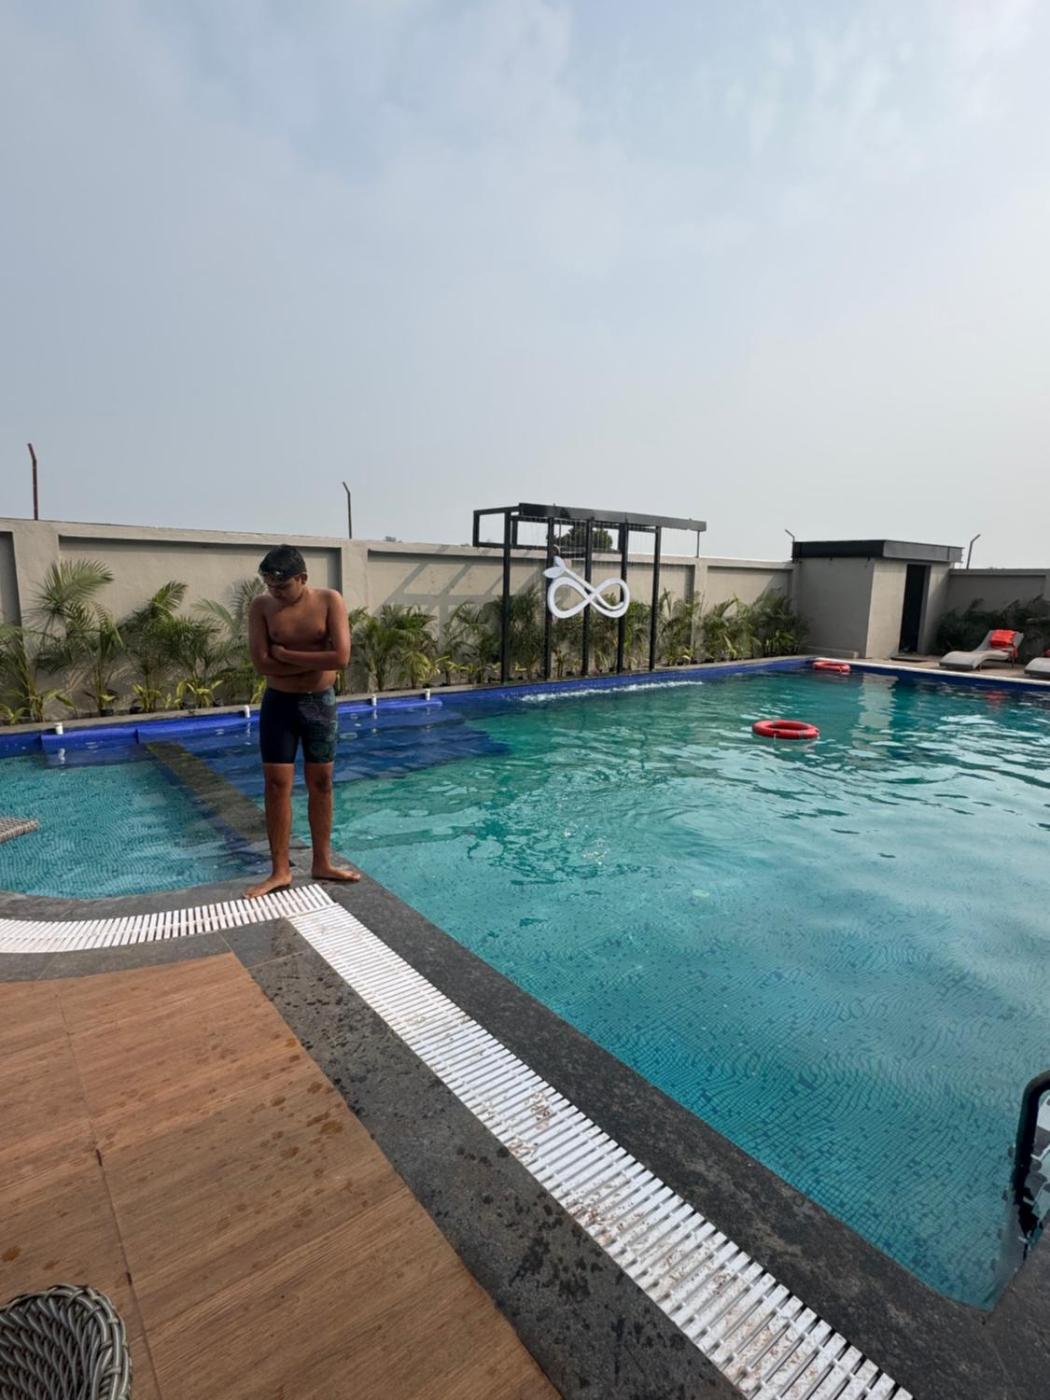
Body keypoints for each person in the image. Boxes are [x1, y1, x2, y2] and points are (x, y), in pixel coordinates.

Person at [245, 544, 360, 898]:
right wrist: (312, 660)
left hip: (319, 704)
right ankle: (280, 871)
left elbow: (341, 658)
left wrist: (285, 654)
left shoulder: (329, 601)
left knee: (321, 782)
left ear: (303, 578)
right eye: (270, 586)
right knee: (276, 784)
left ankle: (322, 862)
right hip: (279, 704)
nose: (275, 593)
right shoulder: (261, 607)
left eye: (282, 586)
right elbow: (262, 664)